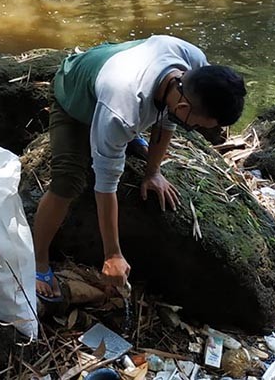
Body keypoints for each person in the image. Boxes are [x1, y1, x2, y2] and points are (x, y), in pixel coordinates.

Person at [34, 35, 246, 301]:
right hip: (76, 97)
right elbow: (105, 186)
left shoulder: (194, 63)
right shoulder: (119, 112)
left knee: (139, 128)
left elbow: (169, 119)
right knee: (68, 180)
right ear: (183, 105)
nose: (201, 130)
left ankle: (127, 139)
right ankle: (38, 261)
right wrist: (112, 255)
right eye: (198, 125)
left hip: (118, 79)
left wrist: (153, 171)